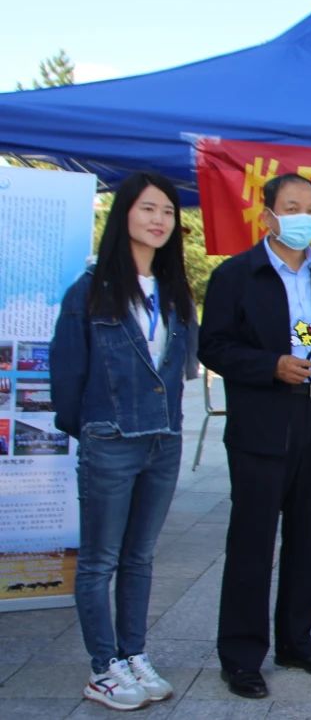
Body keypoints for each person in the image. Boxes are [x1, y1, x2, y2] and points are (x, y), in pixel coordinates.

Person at [199, 173, 311, 698]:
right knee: (253, 541)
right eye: (291, 207)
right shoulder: (237, 274)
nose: (304, 217)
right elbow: (213, 346)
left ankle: (296, 641)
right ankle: (242, 656)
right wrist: (270, 365)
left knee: (308, 538)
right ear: (267, 216)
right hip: (263, 422)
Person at [51, 172, 197, 711]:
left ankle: (133, 653)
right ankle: (103, 667)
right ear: (124, 215)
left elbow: (180, 369)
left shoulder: (175, 292)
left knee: (140, 557)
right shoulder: (91, 290)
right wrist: (96, 430)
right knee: (99, 560)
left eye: (168, 212)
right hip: (110, 439)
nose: (159, 220)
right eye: (147, 209)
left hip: (164, 439)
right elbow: (67, 377)